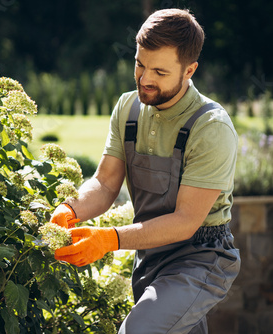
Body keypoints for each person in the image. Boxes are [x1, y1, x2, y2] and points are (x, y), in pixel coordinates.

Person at [51, 8, 241, 334]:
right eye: (139, 64)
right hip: (150, 256)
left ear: (189, 70)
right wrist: (70, 208)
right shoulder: (128, 109)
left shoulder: (211, 127)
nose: (145, 79)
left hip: (201, 258)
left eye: (160, 72)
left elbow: (185, 221)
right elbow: (105, 182)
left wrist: (109, 239)